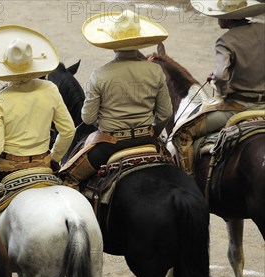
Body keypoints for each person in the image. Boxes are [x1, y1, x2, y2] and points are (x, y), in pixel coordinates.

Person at [0, 25, 76, 201]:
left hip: (7, 167)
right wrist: (54, 158)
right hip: (43, 163)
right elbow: (68, 131)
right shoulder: (50, 89)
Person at [59, 10, 172, 187]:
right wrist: (153, 133)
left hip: (110, 145)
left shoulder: (100, 75)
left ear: (112, 44)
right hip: (148, 140)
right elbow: (165, 113)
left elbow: (87, 118)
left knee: (67, 179)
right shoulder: (155, 71)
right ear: (139, 41)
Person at [170, 0, 265, 174]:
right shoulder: (262, 29)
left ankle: (190, 181)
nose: (217, 19)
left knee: (182, 134)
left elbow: (222, 76)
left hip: (238, 108)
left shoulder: (226, 41)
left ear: (228, 19)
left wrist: (223, 92)